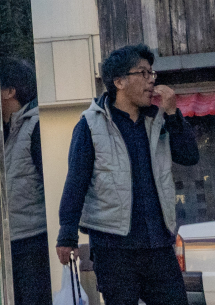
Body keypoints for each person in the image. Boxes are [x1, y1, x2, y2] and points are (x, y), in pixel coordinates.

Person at [56, 44, 199, 305]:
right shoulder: (90, 125)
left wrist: (172, 113)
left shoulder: (158, 120)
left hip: (158, 243)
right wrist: (67, 234)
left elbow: (189, 156)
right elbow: (76, 181)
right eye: (143, 73)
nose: (151, 80)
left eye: (152, 73)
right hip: (114, 248)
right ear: (119, 81)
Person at [0, 57, 49, 305]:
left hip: (34, 243)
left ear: (10, 91)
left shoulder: (35, 126)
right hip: (11, 241)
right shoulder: (4, 131)